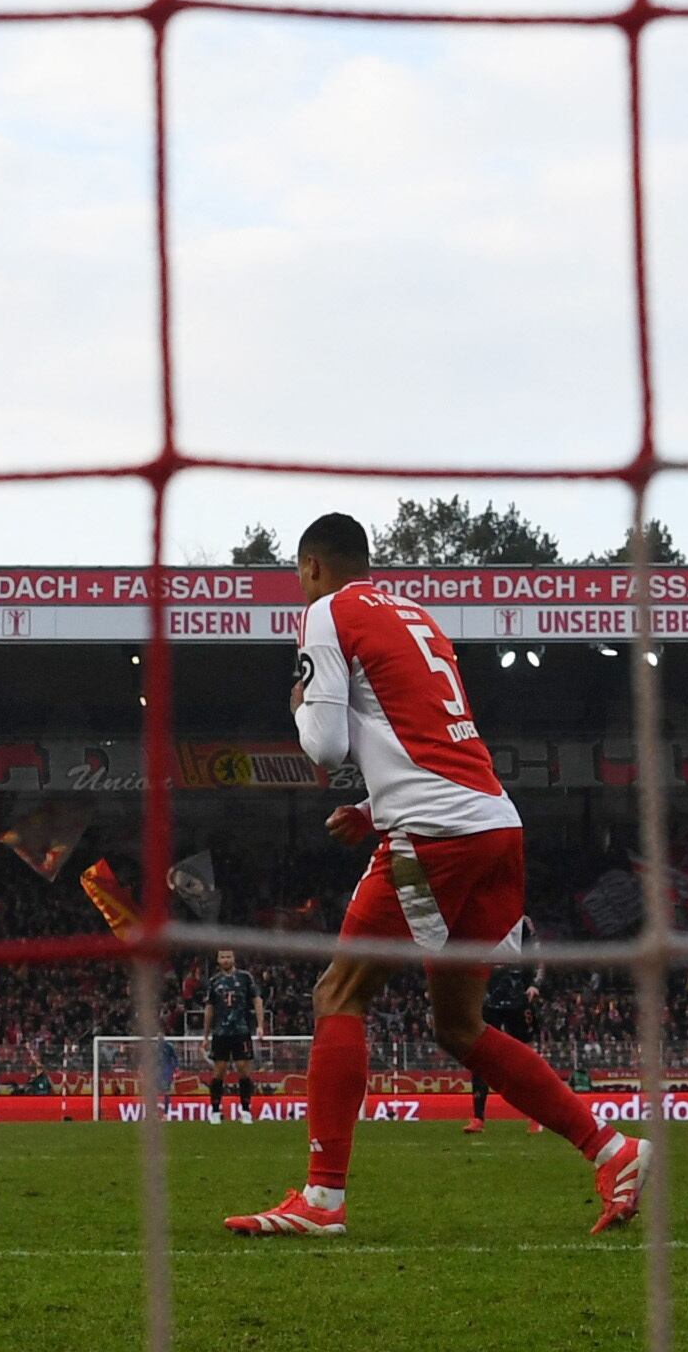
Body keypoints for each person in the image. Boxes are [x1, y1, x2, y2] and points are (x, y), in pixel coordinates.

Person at [224, 513, 646, 1238]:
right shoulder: (417, 617)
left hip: (432, 834)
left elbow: (323, 744)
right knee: (459, 1024)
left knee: (339, 991)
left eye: (298, 573)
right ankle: (612, 1150)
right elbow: (426, 732)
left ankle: (323, 1200)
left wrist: (297, 708)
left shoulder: (326, 611)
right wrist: (371, 802)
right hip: (493, 825)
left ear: (314, 566)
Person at [466, 916, 545, 1135]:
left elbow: (538, 955)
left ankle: (536, 1116)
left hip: (517, 998)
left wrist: (535, 984)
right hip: (487, 998)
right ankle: (477, 1118)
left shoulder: (522, 921)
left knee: (525, 1058)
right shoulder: (481, 916)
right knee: (480, 1056)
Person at [203, 950, 262, 1123]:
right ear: (218, 960)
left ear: (234, 958)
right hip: (220, 1032)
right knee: (219, 1070)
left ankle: (245, 1110)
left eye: (228, 957)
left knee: (243, 1068)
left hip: (241, 1030)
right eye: (222, 957)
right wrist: (205, 1036)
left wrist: (260, 1026)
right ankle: (215, 1111)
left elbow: (257, 999)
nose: (226, 960)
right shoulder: (214, 981)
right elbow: (209, 1008)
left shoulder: (245, 978)